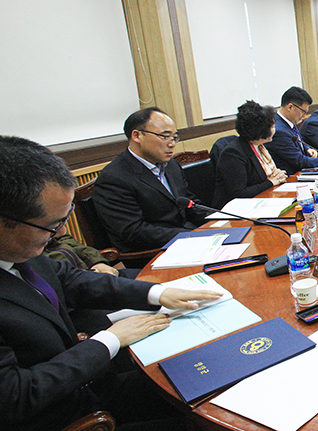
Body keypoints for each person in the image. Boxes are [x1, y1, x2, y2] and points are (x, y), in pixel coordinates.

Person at [0, 135, 222, 431]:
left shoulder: (20, 249)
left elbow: (70, 280)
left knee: (216, 378)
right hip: (63, 418)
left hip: (87, 387)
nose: (61, 232)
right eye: (52, 224)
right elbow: (16, 396)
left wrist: (159, 292)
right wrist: (110, 339)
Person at [92, 107, 209, 253]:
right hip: (154, 252)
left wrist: (218, 221)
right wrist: (192, 236)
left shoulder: (171, 165)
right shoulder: (114, 178)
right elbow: (133, 231)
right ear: (137, 136)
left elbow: (189, 202)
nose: (172, 143)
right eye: (165, 136)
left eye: (174, 137)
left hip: (188, 239)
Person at [213, 101, 289, 208]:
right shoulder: (233, 153)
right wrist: (271, 182)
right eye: (271, 127)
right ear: (259, 130)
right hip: (235, 211)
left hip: (260, 201)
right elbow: (239, 194)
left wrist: (277, 176)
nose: (275, 130)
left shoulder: (259, 146)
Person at [267, 86, 318, 175]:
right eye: (303, 111)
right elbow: (299, 161)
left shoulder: (289, 121)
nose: (304, 115)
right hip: (290, 178)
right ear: (290, 107)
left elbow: (297, 141)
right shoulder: (278, 130)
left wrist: (307, 149)